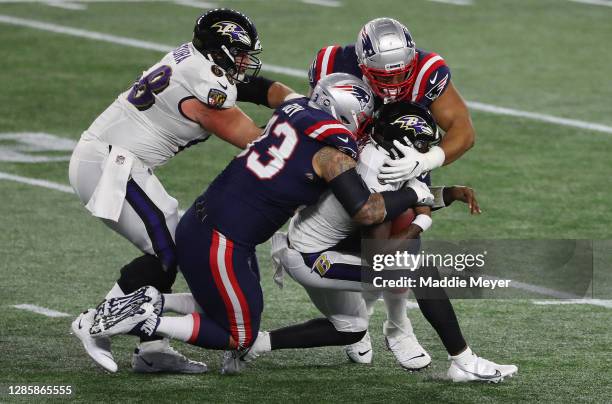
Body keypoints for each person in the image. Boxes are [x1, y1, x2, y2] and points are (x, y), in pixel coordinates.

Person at [86, 73, 436, 374]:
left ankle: (148, 300)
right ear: (345, 112)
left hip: (202, 222)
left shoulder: (294, 107)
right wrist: (415, 193)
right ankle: (142, 318)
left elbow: (263, 87)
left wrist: (213, 80)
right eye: (361, 116)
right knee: (239, 336)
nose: (362, 126)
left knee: (228, 310)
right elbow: (366, 212)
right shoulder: (331, 150)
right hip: (224, 241)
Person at [69, 8, 295, 374]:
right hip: (110, 163)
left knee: (173, 249)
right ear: (219, 52)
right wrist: (304, 128)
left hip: (116, 159)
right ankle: (96, 322)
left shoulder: (199, 63)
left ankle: (151, 350)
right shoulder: (206, 85)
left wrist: (298, 102)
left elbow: (256, 87)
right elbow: (254, 139)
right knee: (172, 251)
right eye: (239, 54)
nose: (245, 62)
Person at [242, 101, 517, 383]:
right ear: (402, 141)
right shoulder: (378, 175)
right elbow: (379, 254)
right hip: (313, 258)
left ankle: (253, 344)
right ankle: (464, 362)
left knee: (351, 329)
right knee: (423, 275)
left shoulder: (376, 153)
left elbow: (409, 195)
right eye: (421, 143)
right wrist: (421, 223)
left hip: (313, 242)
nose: (425, 150)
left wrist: (447, 194)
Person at [308, 16, 476, 361]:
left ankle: (398, 326)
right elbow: (316, 117)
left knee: (400, 246)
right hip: (347, 156)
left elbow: (463, 129)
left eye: (402, 74)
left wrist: (427, 161)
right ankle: (354, 321)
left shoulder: (428, 70)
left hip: (402, 161)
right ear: (363, 65)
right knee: (344, 241)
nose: (395, 84)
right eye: (385, 77)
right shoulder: (331, 64)